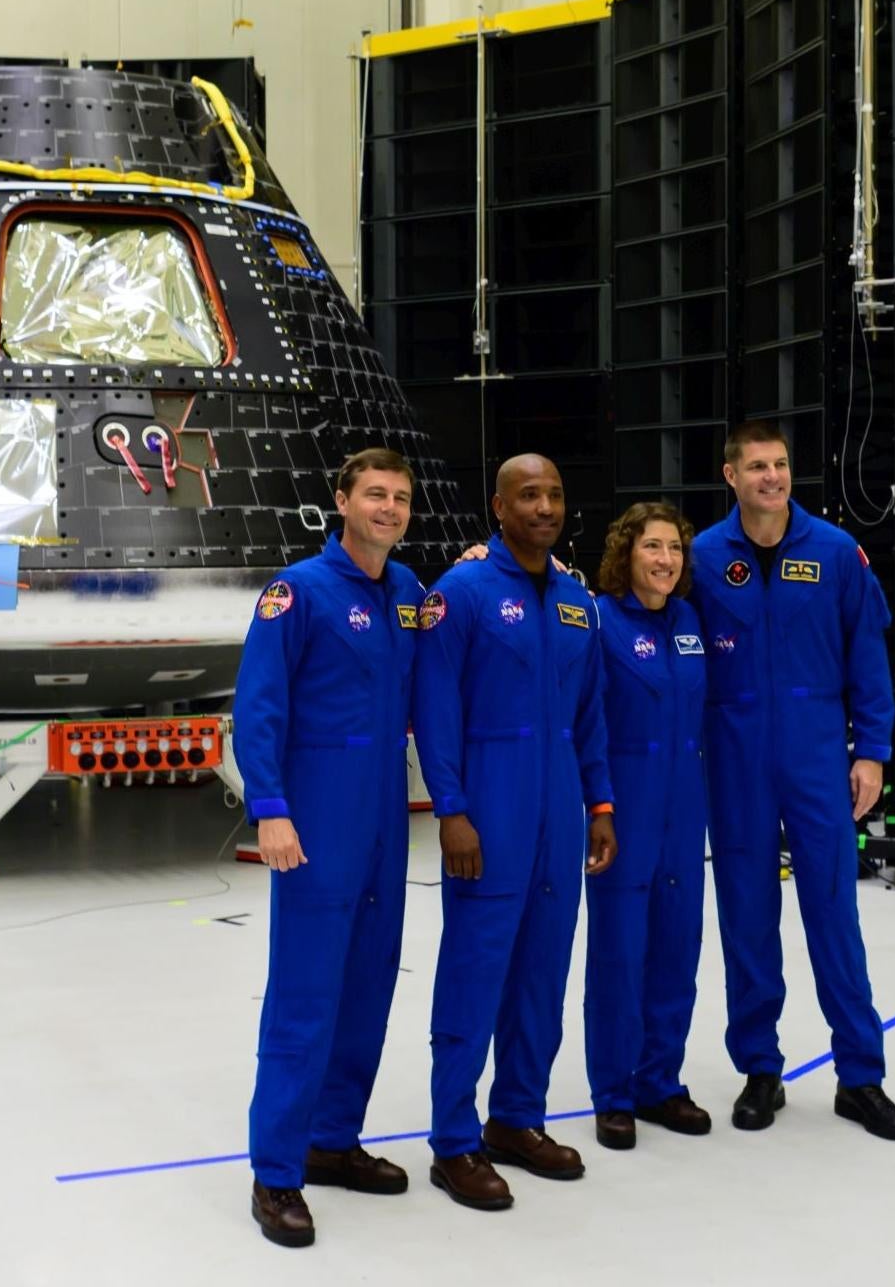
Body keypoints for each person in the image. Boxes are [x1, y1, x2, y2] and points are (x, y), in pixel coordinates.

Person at [689, 421, 895, 1140]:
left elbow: (868, 658)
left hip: (816, 758)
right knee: (747, 917)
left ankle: (861, 1074)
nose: (772, 477)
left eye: (780, 464)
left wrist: (871, 750)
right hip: (734, 760)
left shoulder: (836, 552)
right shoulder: (701, 557)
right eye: (757, 466)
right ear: (731, 476)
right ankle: (760, 1068)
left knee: (833, 913)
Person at [233, 447, 428, 1248]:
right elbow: (258, 706)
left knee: (368, 985)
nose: (389, 508)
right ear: (341, 500)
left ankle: (333, 1139)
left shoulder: (409, 593)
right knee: (306, 992)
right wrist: (271, 807)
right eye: (374, 494)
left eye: (401, 497)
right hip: (317, 815)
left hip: (385, 814)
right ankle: (277, 1171)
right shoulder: (298, 591)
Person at [412, 454, 617, 1212]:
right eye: (528, 494)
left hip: (560, 803)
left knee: (542, 971)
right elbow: (436, 708)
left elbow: (590, 714)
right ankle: (453, 1141)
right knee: (475, 971)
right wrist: (451, 809)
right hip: (489, 801)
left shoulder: (577, 601)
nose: (545, 506)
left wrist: (600, 805)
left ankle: (517, 1118)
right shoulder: (460, 593)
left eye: (554, 494)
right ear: (498, 507)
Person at [584, 501, 712, 1151]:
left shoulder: (689, 619)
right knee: (619, 952)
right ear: (626, 552)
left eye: (675, 548)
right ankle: (612, 1092)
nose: (665, 559)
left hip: (684, 811)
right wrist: (599, 806)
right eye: (652, 546)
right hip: (625, 809)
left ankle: (660, 1080)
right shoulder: (599, 621)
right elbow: (587, 723)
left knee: (677, 948)